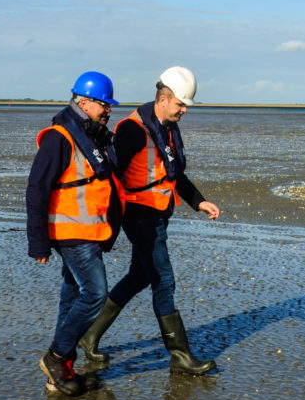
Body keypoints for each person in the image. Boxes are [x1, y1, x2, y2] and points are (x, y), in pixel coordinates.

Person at [77, 66, 220, 375]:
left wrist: (199, 201)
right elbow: (110, 175)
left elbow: (174, 174)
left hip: (159, 213)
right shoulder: (132, 130)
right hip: (140, 216)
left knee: (139, 276)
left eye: (185, 106)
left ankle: (89, 334)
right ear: (163, 99)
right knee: (164, 280)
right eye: (181, 104)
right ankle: (180, 355)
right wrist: (103, 220)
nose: (184, 111)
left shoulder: (167, 128)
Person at [26, 71, 123, 397]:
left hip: (90, 231)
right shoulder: (59, 137)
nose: (109, 110)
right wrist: (38, 240)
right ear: (84, 101)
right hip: (71, 232)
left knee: (71, 296)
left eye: (109, 105)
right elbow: (37, 189)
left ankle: (61, 372)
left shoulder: (93, 136)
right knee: (95, 294)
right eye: (104, 105)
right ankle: (56, 357)